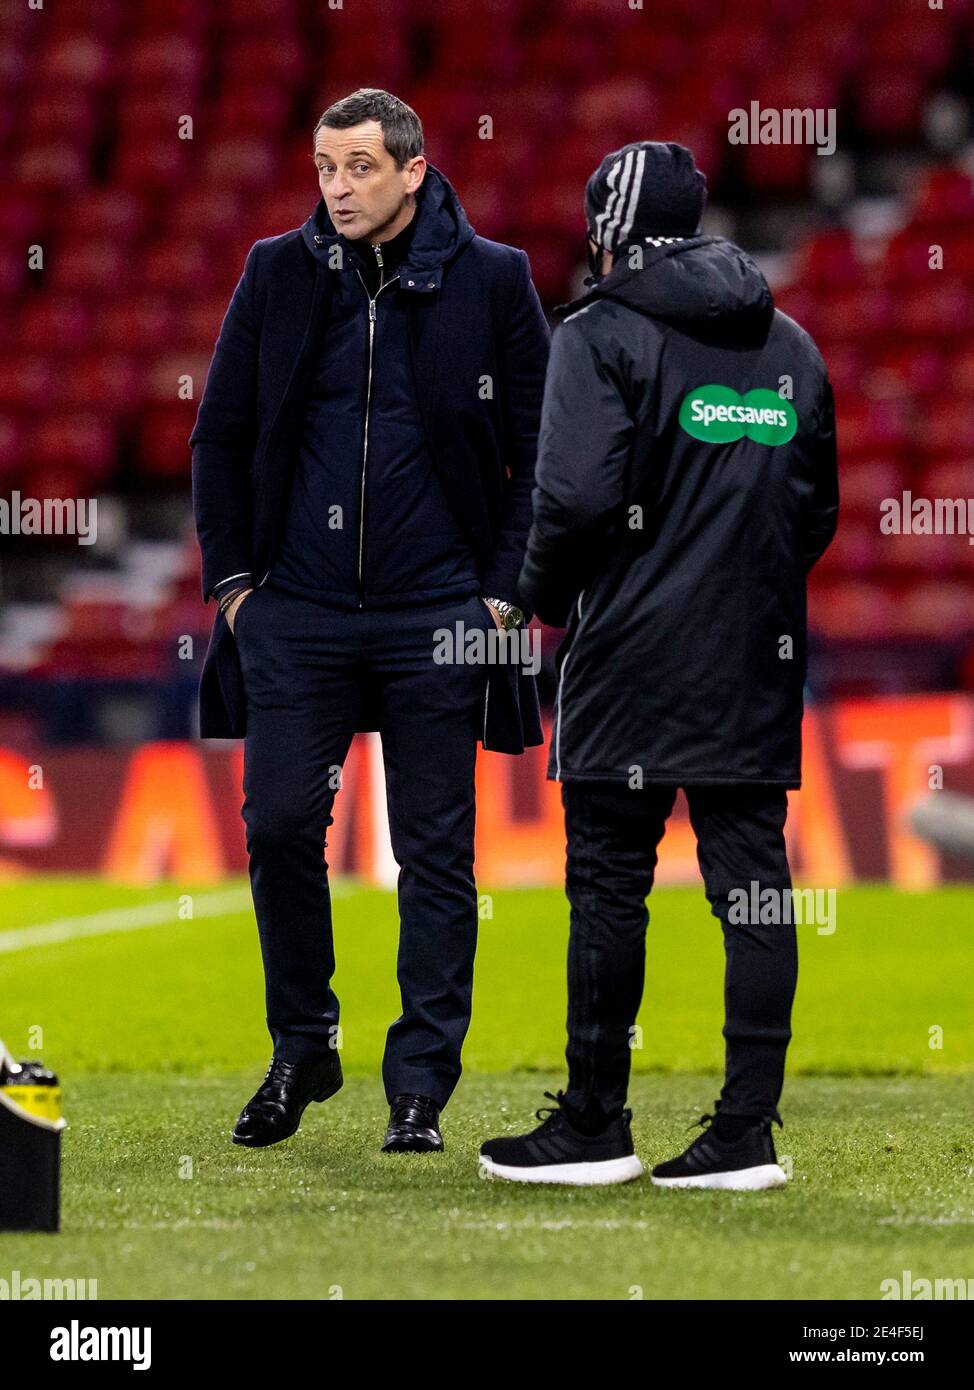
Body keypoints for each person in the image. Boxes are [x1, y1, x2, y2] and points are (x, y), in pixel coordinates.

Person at [190, 89, 549, 1153]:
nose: (336, 189)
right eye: (322, 168)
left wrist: (499, 595)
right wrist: (236, 590)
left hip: (439, 612)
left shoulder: (493, 281)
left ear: (411, 169)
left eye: (356, 168)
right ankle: (303, 1045)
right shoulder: (275, 272)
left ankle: (420, 1083)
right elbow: (220, 438)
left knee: (433, 854)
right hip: (293, 609)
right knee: (280, 828)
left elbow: (541, 454)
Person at [479, 140, 838, 1189]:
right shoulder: (793, 346)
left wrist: (532, 601)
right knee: (754, 892)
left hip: (627, 657)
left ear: (609, 227)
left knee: (606, 888)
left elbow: (576, 501)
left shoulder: (596, 335)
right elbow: (810, 512)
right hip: (749, 661)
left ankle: (594, 1123)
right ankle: (744, 1134)